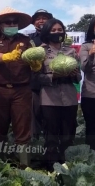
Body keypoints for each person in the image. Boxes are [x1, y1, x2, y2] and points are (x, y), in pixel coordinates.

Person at [0, 7, 41, 167]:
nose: (11, 24)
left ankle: (24, 165)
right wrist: (7, 56)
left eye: (14, 22)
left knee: (23, 129)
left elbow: (35, 58)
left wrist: (36, 65)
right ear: (0, 25)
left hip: (21, 90)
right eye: (7, 22)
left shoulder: (25, 41)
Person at [34, 19, 81, 170]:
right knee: (51, 134)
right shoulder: (40, 52)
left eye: (59, 29)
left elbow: (79, 76)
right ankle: (51, 166)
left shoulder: (71, 51)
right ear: (47, 32)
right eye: (53, 30)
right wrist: (52, 77)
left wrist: (74, 74)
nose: (57, 32)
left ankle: (67, 165)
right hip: (49, 98)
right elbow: (36, 77)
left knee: (68, 133)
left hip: (69, 97)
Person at [27, 9, 53, 140]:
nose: (41, 21)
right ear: (33, 22)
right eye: (38, 18)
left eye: (45, 18)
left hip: (54, 85)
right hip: (35, 85)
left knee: (51, 118)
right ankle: (36, 148)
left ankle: (51, 148)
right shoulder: (29, 40)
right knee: (35, 117)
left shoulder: (56, 37)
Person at [79, 15, 95, 152]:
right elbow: (83, 68)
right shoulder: (86, 47)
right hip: (92, 94)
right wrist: (91, 54)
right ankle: (93, 158)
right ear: (93, 28)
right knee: (93, 129)